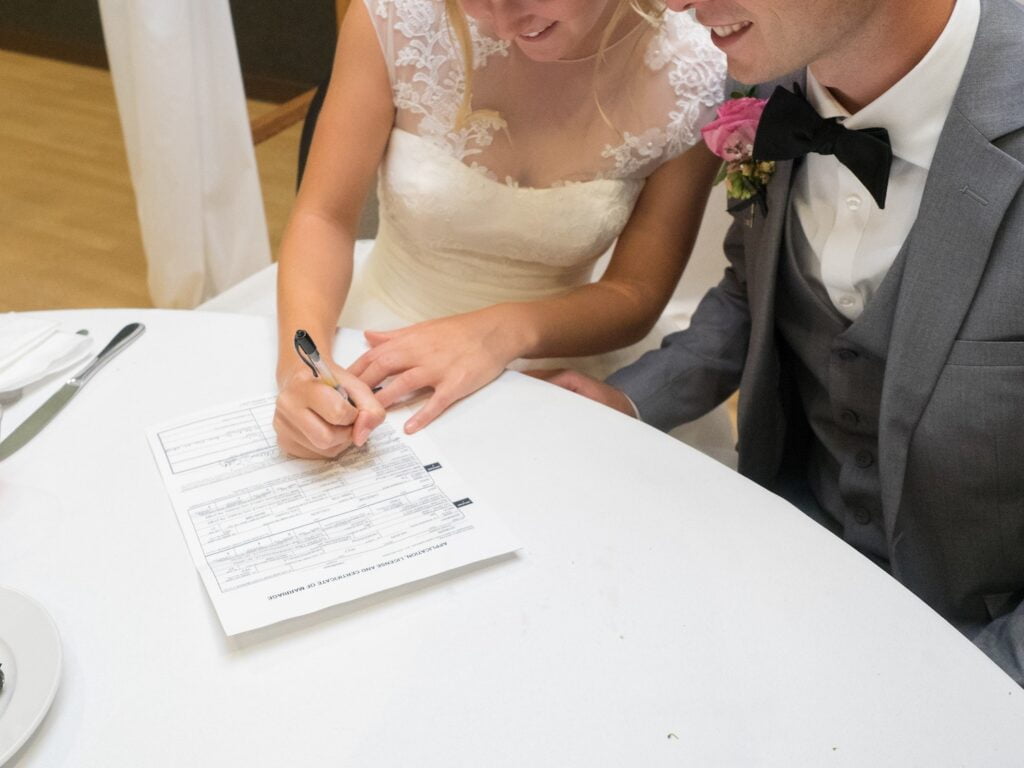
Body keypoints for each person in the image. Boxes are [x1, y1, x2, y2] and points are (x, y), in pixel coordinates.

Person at [551, 0, 1024, 685]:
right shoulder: (769, 81)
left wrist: (966, 702)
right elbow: (754, 293)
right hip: (785, 582)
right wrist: (624, 403)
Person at [272, 0, 729, 459]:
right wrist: (302, 367)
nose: (506, 24)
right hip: (373, 339)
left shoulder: (696, 80)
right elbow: (324, 218)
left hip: (556, 365)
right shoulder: (396, 16)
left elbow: (635, 293)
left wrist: (499, 333)